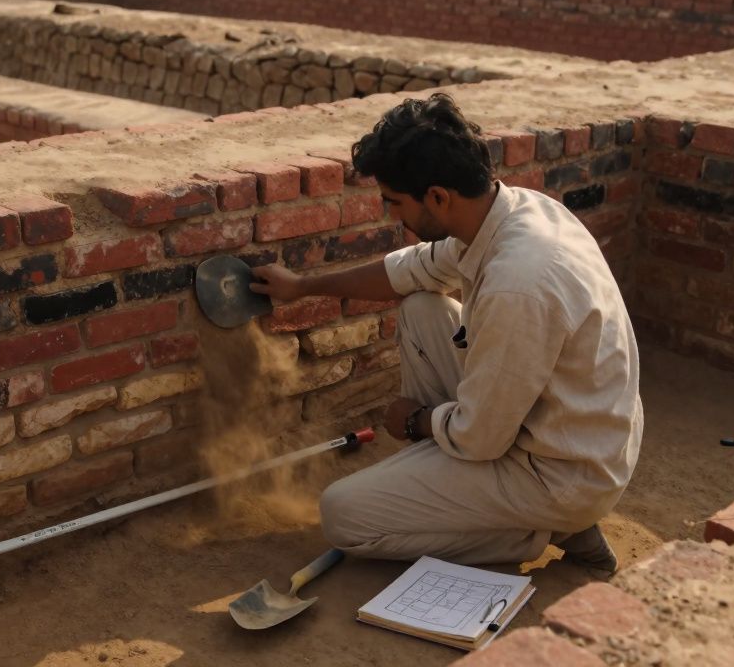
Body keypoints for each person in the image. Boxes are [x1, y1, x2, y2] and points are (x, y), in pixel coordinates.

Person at [250, 93, 643, 572]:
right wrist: (302, 287)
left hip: (559, 472)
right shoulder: (510, 213)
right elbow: (405, 273)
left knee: (343, 516)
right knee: (420, 309)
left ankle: (539, 530)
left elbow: (482, 438)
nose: (393, 216)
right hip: (556, 430)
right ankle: (467, 493)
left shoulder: (518, 282)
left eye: (395, 203)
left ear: (437, 196)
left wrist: (416, 420)